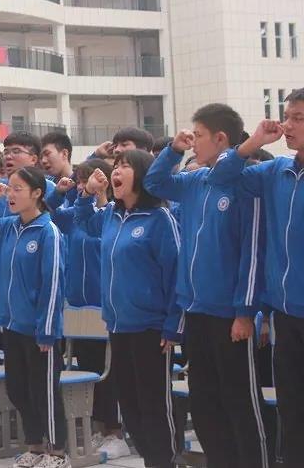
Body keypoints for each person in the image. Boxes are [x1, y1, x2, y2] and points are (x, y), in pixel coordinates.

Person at [144, 104, 268, 468]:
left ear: (221, 138)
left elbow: (252, 252)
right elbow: (155, 183)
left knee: (240, 402)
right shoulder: (195, 182)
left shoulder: (245, 184)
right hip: (196, 310)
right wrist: (173, 150)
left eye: (198, 136)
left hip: (230, 315)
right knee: (204, 401)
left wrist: (245, 312)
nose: (193, 142)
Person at [205, 89, 304, 463]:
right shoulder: (276, 172)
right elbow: (220, 176)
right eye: (287, 116)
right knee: (292, 411)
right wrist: (254, 143)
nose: (287, 125)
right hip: (286, 315)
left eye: (298, 118)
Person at [75, 150, 182, 468]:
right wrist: (88, 193)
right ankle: (152, 459)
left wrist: (173, 324)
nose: (116, 171)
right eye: (116, 165)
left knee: (154, 404)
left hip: (152, 328)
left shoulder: (160, 219)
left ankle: (164, 462)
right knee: (130, 405)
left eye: (125, 166)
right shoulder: (111, 215)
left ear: (143, 175)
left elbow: (176, 273)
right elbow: (83, 223)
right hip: (118, 325)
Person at [0, 166, 68, 468]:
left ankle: (58, 452)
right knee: (19, 391)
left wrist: (47, 329)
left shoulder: (48, 232)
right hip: (10, 324)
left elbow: (53, 284)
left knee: (44, 392)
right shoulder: (8, 226)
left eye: (17, 189)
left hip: (39, 330)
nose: (10, 194)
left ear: (37, 193)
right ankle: (34, 446)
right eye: (9, 188)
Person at [49, 160, 129, 460]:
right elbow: (48, 212)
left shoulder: (113, 213)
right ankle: (98, 428)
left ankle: (116, 432)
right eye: (81, 180)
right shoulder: (75, 215)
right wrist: (60, 192)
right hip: (78, 308)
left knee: (110, 373)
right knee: (88, 370)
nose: (84, 186)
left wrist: (99, 197)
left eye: (90, 180)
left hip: (106, 306)